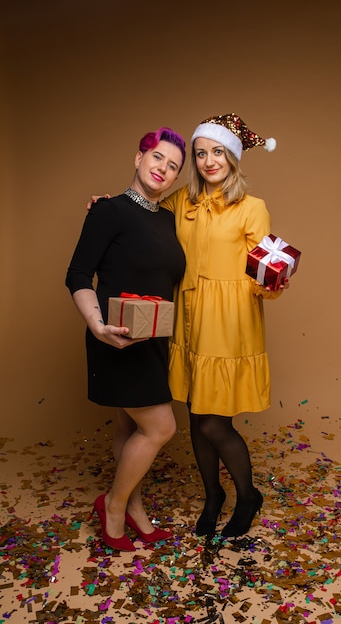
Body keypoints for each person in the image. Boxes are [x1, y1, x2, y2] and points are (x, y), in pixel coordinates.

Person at [161, 113, 289, 538]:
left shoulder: (253, 208)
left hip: (229, 321)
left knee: (216, 421)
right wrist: (106, 207)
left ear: (232, 157)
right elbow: (142, 218)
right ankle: (212, 495)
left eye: (217, 151)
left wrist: (275, 278)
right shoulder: (183, 201)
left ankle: (248, 496)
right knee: (197, 418)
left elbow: (263, 274)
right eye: (200, 153)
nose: (208, 160)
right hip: (189, 316)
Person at [66, 127, 186, 551]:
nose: (163, 169)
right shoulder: (108, 211)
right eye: (157, 158)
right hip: (115, 337)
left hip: (154, 339)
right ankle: (114, 507)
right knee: (160, 427)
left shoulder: (168, 218)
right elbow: (78, 275)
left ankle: (134, 508)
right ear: (139, 159)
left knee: (128, 423)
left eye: (173, 166)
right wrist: (98, 327)